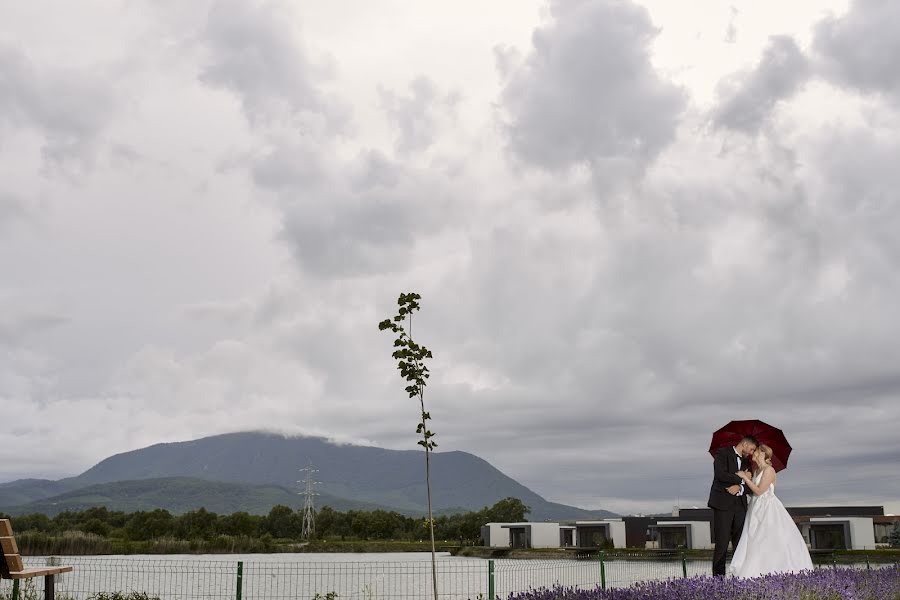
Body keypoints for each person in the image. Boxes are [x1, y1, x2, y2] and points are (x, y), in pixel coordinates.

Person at [729, 444, 814, 577]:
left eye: (755, 451)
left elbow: (759, 491)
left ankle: (777, 571)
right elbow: (752, 493)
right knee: (754, 540)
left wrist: (745, 478)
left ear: (763, 453)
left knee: (768, 538)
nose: (753, 454)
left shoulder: (769, 470)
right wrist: (744, 482)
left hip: (768, 509)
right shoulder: (756, 471)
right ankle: (757, 572)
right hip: (755, 508)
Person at [707, 435, 758, 576]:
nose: (752, 453)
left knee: (739, 544)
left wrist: (740, 488)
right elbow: (720, 475)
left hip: (740, 507)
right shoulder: (722, 453)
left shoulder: (747, 462)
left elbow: (751, 487)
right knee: (722, 544)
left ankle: (738, 577)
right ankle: (718, 580)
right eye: (752, 449)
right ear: (745, 444)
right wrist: (741, 477)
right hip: (722, 505)